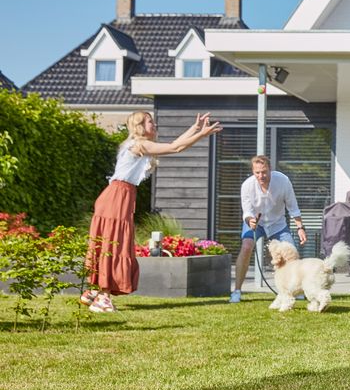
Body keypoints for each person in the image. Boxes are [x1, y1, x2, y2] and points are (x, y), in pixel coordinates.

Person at [82, 111, 221, 313]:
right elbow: (176, 147)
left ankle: (95, 291)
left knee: (109, 243)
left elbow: (175, 144)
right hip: (118, 196)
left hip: (117, 195)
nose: (154, 125)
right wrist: (202, 134)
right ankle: (103, 297)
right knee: (115, 243)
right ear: (139, 125)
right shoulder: (140, 144)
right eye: (150, 122)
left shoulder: (137, 145)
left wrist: (195, 128)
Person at [231, 155, 307, 303]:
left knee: (291, 253)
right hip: (255, 222)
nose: (261, 176)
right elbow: (246, 211)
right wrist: (250, 221)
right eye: (257, 172)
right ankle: (237, 291)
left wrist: (300, 228)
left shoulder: (283, 181)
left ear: (270, 169)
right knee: (246, 247)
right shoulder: (247, 186)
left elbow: (293, 207)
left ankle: (296, 290)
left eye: (264, 172)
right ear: (253, 172)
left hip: (278, 224)